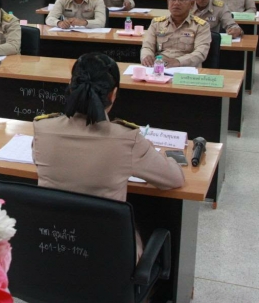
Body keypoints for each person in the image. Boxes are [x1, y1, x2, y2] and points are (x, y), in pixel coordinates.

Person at [32, 52, 185, 256]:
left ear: (71, 88)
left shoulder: (43, 128)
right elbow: (174, 179)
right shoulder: (127, 139)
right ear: (113, 94)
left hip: (52, 247)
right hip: (108, 256)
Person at [140, 0, 211, 68]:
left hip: (187, 69)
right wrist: (146, 57)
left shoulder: (201, 26)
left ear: (191, 3)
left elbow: (200, 53)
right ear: (168, 2)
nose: (176, 3)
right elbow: (147, 46)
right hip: (160, 68)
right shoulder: (157, 23)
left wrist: (178, 62)